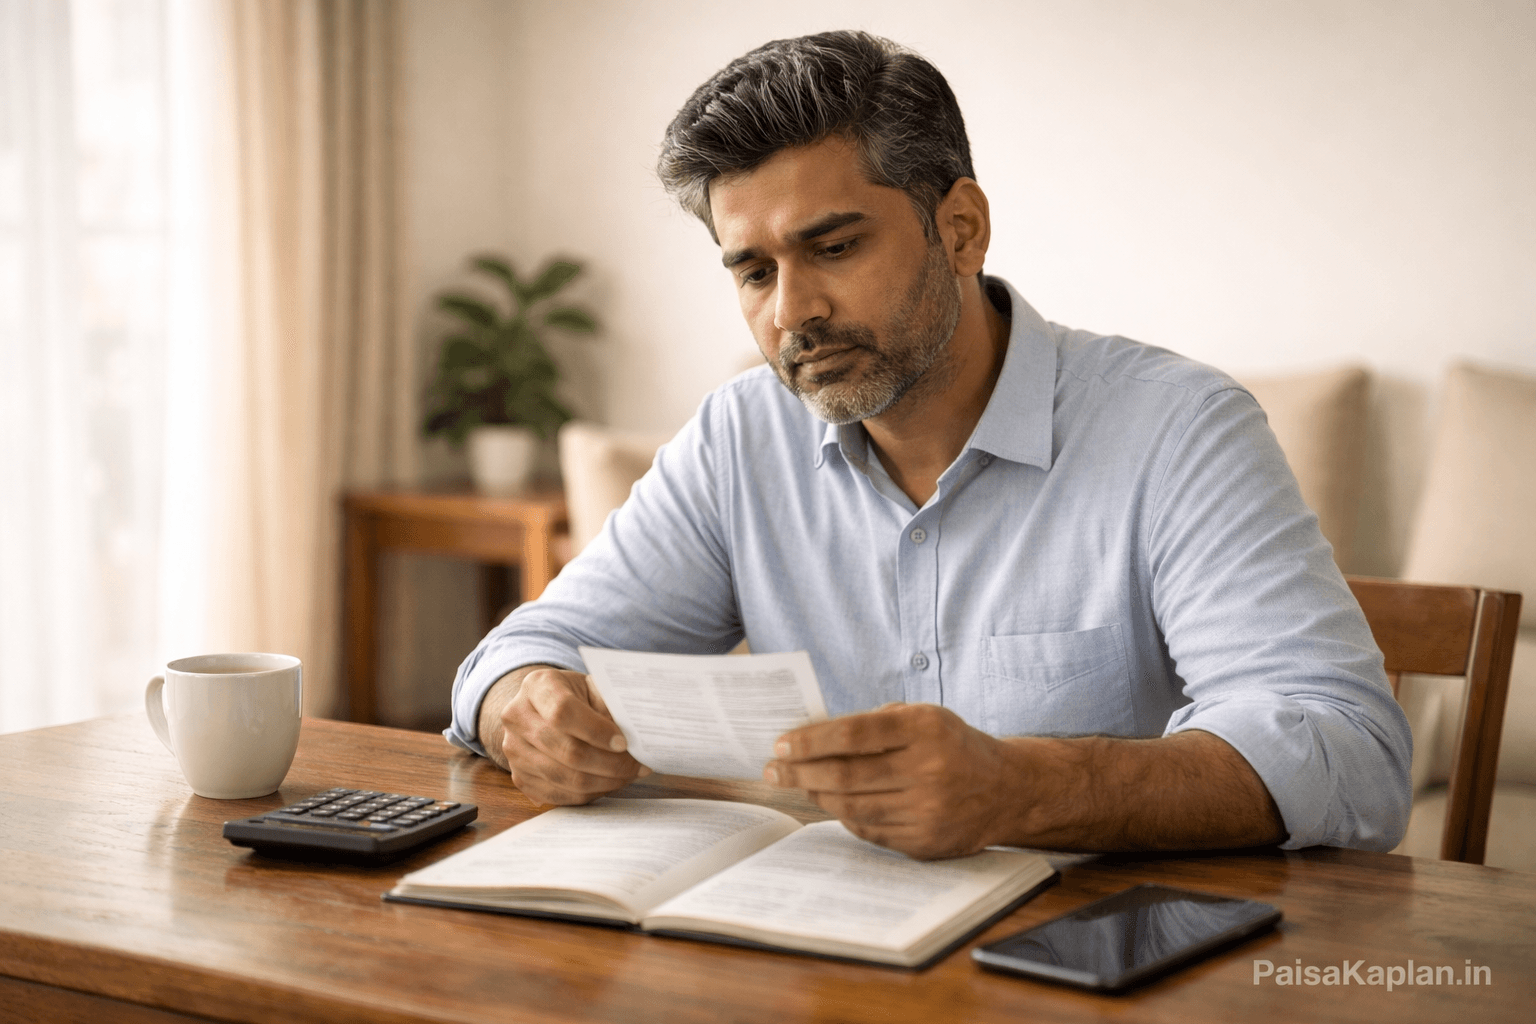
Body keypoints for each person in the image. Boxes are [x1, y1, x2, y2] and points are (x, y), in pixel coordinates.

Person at [444, 30, 1412, 860]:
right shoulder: (740, 438)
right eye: (752, 270)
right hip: (823, 958)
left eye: (833, 247)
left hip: (1111, 963)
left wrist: (1025, 786)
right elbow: (516, 655)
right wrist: (525, 701)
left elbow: (1351, 750)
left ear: (961, 228)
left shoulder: (1177, 429)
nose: (792, 313)